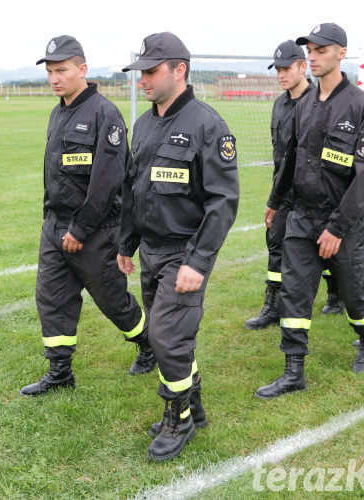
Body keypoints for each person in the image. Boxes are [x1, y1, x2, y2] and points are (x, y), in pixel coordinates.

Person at [119, 32, 239, 461]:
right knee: (167, 333)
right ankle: (195, 406)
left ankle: (179, 420)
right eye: (141, 73)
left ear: (179, 70)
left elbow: (223, 201)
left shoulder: (208, 125)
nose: (143, 81)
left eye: (151, 72)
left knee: (167, 338)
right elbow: (135, 188)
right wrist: (127, 242)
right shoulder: (145, 123)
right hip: (150, 250)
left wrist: (199, 262)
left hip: (185, 253)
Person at [255, 22, 364, 401]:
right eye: (309, 49)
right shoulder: (305, 103)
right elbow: (292, 157)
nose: (312, 55)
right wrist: (275, 201)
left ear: (341, 53)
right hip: (301, 215)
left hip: (341, 223)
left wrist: (337, 228)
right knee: (294, 293)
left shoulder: (361, 106)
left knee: (354, 296)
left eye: (321, 49)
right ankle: (293, 371)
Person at [20, 36, 154, 397]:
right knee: (52, 297)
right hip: (54, 227)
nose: (54, 78)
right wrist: (53, 222)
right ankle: (60, 370)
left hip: (93, 231)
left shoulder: (103, 113)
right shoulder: (57, 111)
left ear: (83, 69)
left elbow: (108, 179)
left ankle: (148, 345)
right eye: (49, 71)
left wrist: (80, 228)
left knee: (112, 300)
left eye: (61, 70)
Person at [245, 40, 312, 330]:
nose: (282, 74)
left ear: (303, 66)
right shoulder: (279, 104)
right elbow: (279, 154)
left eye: (288, 68)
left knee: (323, 252)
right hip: (283, 193)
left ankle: (336, 294)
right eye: (279, 70)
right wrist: (274, 195)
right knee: (276, 245)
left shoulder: (317, 101)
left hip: (313, 194)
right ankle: (274, 305)